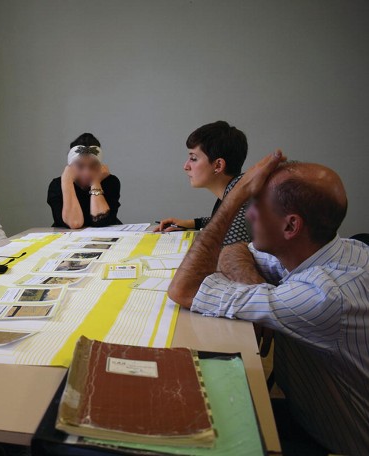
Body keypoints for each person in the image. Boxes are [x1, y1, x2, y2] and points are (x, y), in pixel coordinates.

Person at [168, 151, 369, 455]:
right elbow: (234, 250)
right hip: (308, 411)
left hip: (334, 441)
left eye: (255, 206)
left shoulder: (325, 295)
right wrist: (258, 290)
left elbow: (183, 289)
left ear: (290, 227)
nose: (248, 214)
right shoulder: (328, 249)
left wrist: (233, 199)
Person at [155, 121, 250, 246]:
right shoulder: (237, 192)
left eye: (193, 158)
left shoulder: (239, 208)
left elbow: (226, 261)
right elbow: (219, 221)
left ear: (218, 165)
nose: (186, 166)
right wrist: (192, 223)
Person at [47, 133, 121, 229]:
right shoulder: (57, 185)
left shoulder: (111, 182)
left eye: (93, 165)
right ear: (69, 166)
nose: (87, 172)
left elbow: (101, 222)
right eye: (80, 166)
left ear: (100, 166)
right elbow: (74, 223)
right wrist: (66, 181)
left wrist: (96, 182)